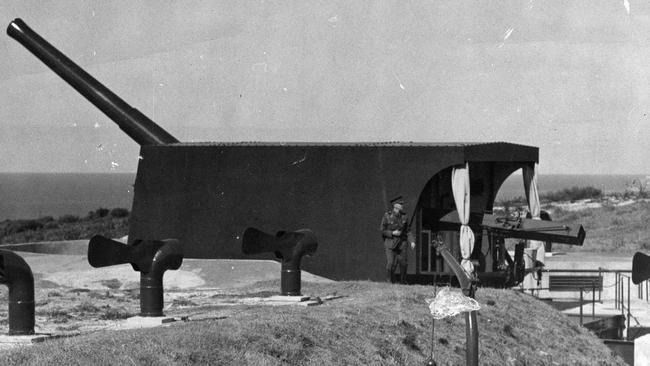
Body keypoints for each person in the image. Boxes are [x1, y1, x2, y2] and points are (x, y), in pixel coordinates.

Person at [380, 196, 415, 284]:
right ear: (395, 206)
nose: (402, 205)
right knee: (391, 263)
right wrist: (392, 233)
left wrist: (412, 241)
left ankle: (403, 281)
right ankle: (389, 280)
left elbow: (408, 231)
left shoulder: (404, 216)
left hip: (401, 243)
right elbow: (382, 230)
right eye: (400, 204)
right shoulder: (387, 216)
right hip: (390, 243)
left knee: (403, 263)